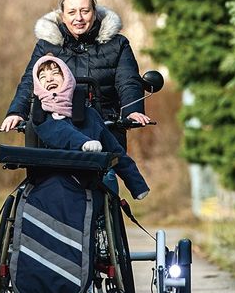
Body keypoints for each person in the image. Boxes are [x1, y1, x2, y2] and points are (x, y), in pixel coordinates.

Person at [0, 0, 151, 149]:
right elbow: (30, 82)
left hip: (104, 129)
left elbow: (128, 82)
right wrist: (16, 112)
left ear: (95, 13)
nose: (79, 18)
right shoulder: (46, 46)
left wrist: (132, 111)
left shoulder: (118, 44)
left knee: (109, 172)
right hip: (57, 130)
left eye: (85, 11)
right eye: (72, 12)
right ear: (62, 16)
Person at [30, 54, 149, 200]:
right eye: (42, 76)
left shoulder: (90, 115)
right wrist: (83, 143)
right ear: (38, 85)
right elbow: (58, 132)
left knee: (108, 177)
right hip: (55, 181)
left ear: (66, 77)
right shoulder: (41, 117)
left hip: (90, 181)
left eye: (55, 73)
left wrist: (137, 184)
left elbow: (114, 150)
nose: (49, 79)